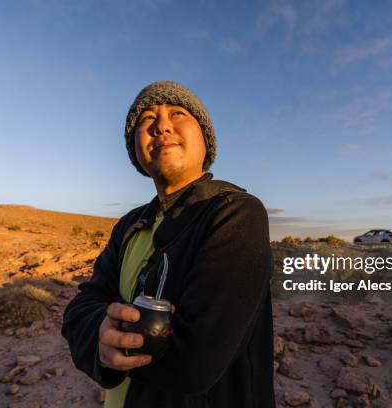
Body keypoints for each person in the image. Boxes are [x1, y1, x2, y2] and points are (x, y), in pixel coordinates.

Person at [61, 80, 275, 408]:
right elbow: (82, 305)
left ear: (206, 140)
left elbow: (197, 360)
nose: (161, 125)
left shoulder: (235, 213)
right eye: (146, 119)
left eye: (177, 113)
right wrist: (100, 339)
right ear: (135, 147)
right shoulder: (130, 225)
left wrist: (116, 334)